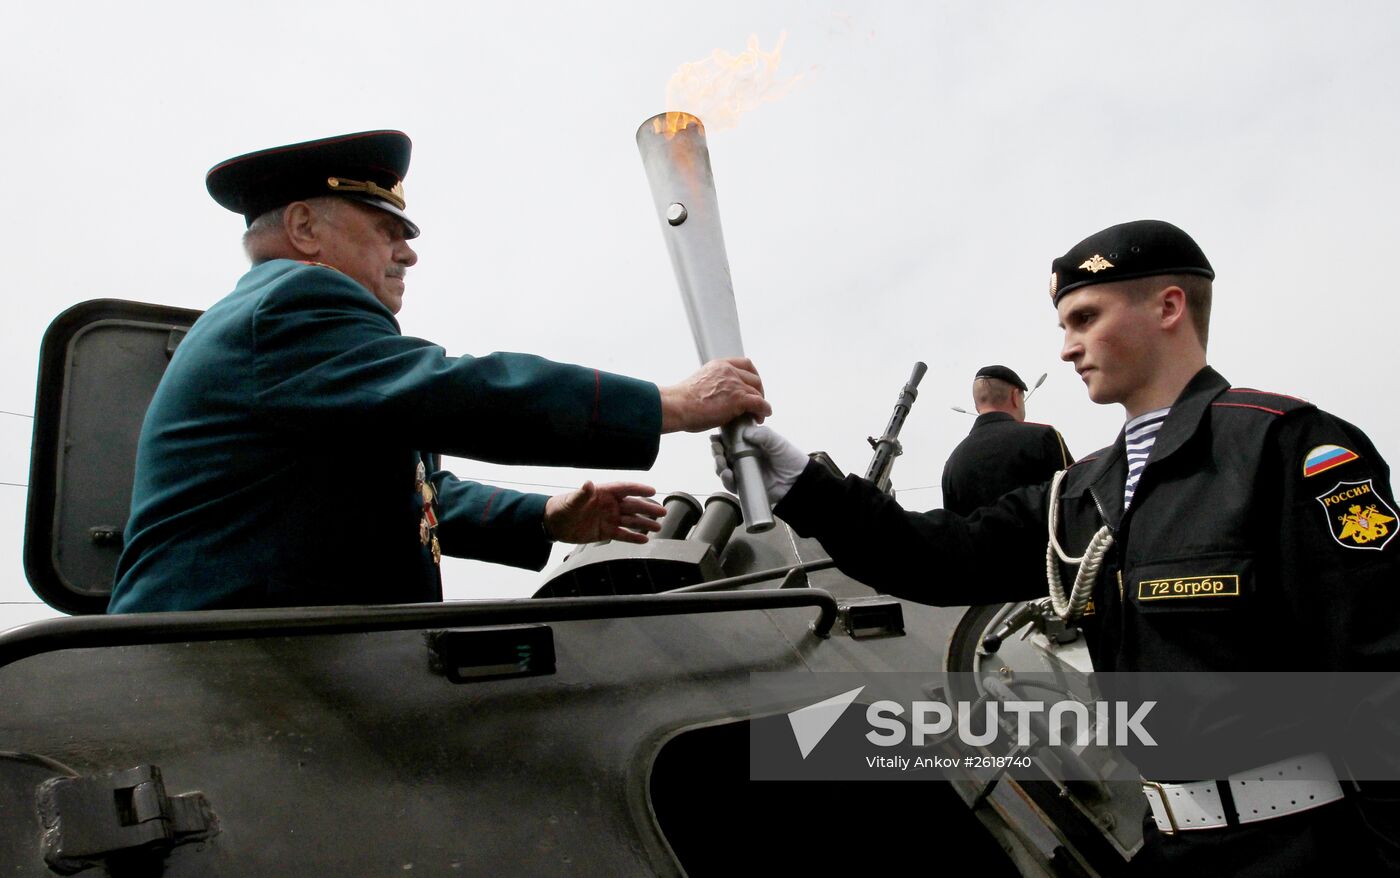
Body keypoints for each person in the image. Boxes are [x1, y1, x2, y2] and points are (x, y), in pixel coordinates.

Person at [715, 220, 1399, 873]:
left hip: (1307, 845)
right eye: (1065, 326)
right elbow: (938, 557)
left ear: (1168, 307)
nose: (1067, 348)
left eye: (1085, 319)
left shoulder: (1285, 450)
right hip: (1171, 845)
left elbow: (1380, 682)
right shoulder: (1080, 493)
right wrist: (803, 485)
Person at [108, 130, 770, 613]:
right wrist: (669, 404)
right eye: (385, 229)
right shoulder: (291, 305)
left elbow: (414, 494)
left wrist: (544, 516)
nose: (407, 254)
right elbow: (461, 393)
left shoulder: (286, 331)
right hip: (221, 673)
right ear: (306, 228)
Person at [941, 364, 1072, 516]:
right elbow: (1072, 498)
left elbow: (955, 530)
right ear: (1015, 397)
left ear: (977, 406)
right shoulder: (1043, 437)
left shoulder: (953, 464)